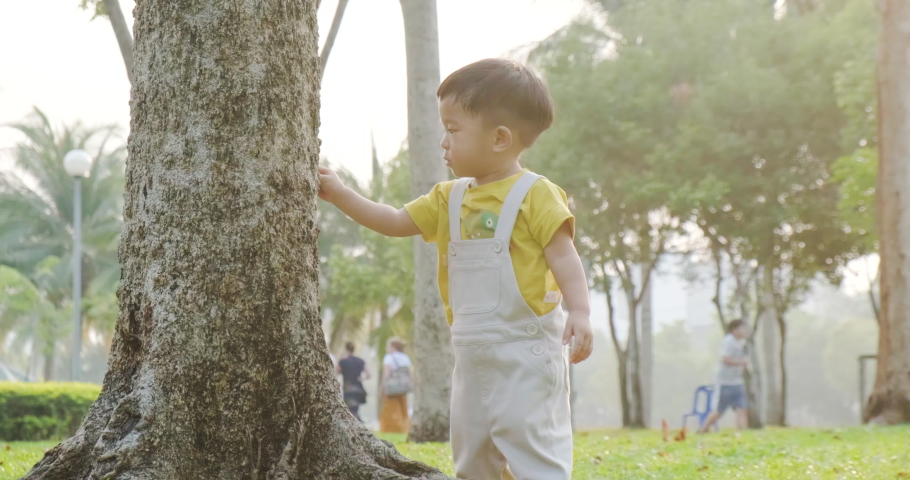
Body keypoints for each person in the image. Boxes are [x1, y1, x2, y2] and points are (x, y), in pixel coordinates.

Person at [319, 58, 593, 480]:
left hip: (526, 353)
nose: (443, 143)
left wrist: (580, 312)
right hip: (470, 353)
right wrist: (339, 194)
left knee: (534, 447)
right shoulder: (447, 198)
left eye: (453, 130)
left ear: (500, 139)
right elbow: (393, 221)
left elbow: (563, 255)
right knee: (472, 454)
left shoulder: (536, 194)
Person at [699, 319, 751, 433]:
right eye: (742, 328)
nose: (745, 331)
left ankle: (743, 433)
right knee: (719, 410)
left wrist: (745, 367)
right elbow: (725, 359)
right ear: (735, 329)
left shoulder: (739, 343)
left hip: (737, 381)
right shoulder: (729, 341)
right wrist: (742, 363)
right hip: (725, 382)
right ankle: (704, 429)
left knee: (742, 408)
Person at [379, 337, 412, 433]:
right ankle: (404, 428)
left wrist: (382, 386)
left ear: (393, 346)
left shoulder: (389, 358)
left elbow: (386, 374)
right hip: (402, 387)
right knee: (403, 407)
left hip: (392, 387)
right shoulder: (405, 357)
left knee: (390, 408)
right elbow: (408, 373)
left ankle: (391, 429)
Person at [336, 341, 371, 421]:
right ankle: (359, 424)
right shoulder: (360, 361)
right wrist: (361, 378)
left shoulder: (343, 361)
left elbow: (336, 373)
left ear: (345, 349)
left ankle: (359, 424)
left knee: (350, 410)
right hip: (358, 388)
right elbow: (369, 375)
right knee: (355, 409)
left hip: (348, 388)